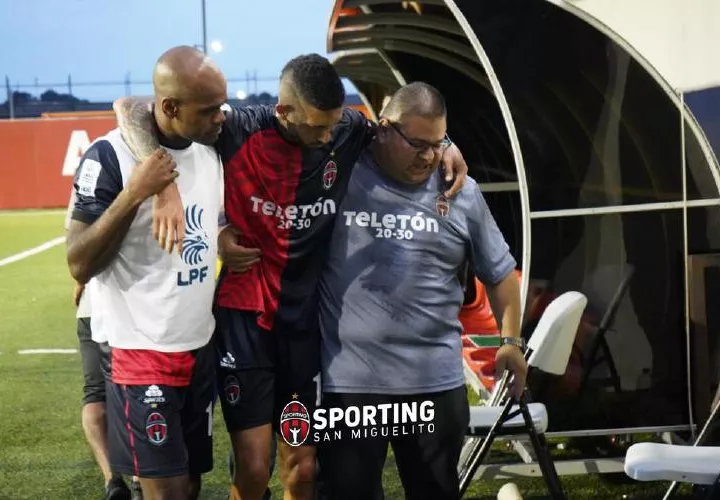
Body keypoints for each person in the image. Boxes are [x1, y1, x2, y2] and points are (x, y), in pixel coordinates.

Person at [113, 52, 470, 500]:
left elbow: (407, 131)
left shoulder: (346, 130)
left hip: (304, 329)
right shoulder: (240, 129)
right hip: (245, 324)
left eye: (332, 125)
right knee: (254, 466)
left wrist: (450, 144)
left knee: (302, 468)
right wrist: (169, 188)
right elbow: (129, 108)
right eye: (316, 127)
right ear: (284, 112)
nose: (326, 138)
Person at [316, 82, 528, 500]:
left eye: (437, 143)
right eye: (417, 143)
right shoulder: (339, 173)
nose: (429, 156)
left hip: (434, 382)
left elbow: (501, 273)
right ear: (384, 128)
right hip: (350, 386)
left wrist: (511, 341)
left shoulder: (459, 190)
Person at [66, 46, 226, 500]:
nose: (222, 116)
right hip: (141, 352)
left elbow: (133, 105)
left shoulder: (213, 147)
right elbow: (78, 260)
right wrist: (136, 193)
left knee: (191, 483)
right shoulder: (110, 157)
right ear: (171, 107)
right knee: (166, 492)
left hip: (198, 345)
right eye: (210, 109)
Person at [66, 176, 144, 500]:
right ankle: (141, 476)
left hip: (90, 306)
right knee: (137, 393)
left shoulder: (88, 182)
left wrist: (82, 278)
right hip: (127, 305)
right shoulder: (140, 175)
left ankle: (113, 478)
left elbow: (77, 251)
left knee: (95, 394)